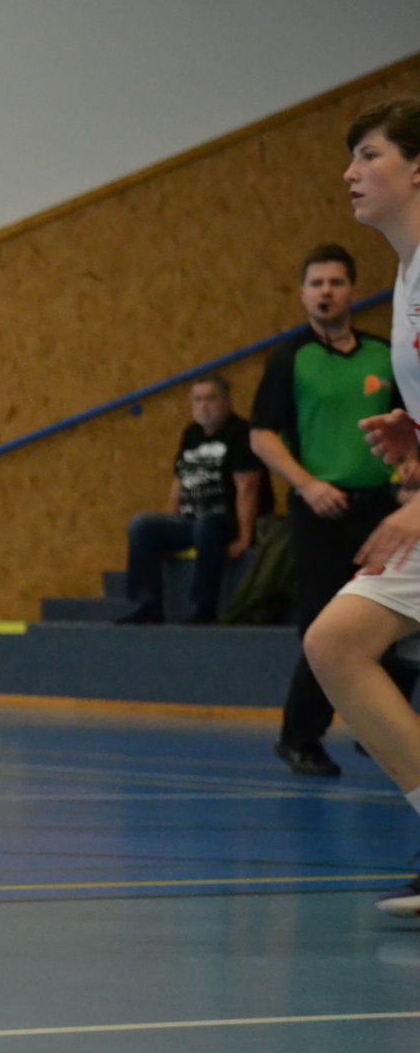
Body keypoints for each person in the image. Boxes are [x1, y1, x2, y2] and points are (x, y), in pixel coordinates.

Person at [305, 99, 420, 915]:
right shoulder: (407, 276)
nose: (350, 173)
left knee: (338, 640)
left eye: (369, 155)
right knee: (336, 642)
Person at [250, 242, 414, 777]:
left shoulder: (382, 356)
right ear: (303, 295)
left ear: (352, 291)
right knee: (325, 626)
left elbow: (406, 427)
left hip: (383, 507)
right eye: (316, 284)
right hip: (319, 512)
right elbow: (261, 436)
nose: (326, 292)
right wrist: (308, 485)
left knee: (400, 617)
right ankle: (299, 738)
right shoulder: (289, 359)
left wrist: (409, 473)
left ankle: (379, 727)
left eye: (336, 283)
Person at [119, 374, 266, 625]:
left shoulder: (241, 433)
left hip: (225, 522)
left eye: (210, 399)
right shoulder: (191, 434)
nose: (204, 406)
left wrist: (244, 537)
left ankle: (205, 606)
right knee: (141, 526)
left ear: (226, 401)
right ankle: (148, 604)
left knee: (206, 524)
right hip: (193, 523)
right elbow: (179, 483)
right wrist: (170, 524)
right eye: (198, 400)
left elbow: (248, 487)